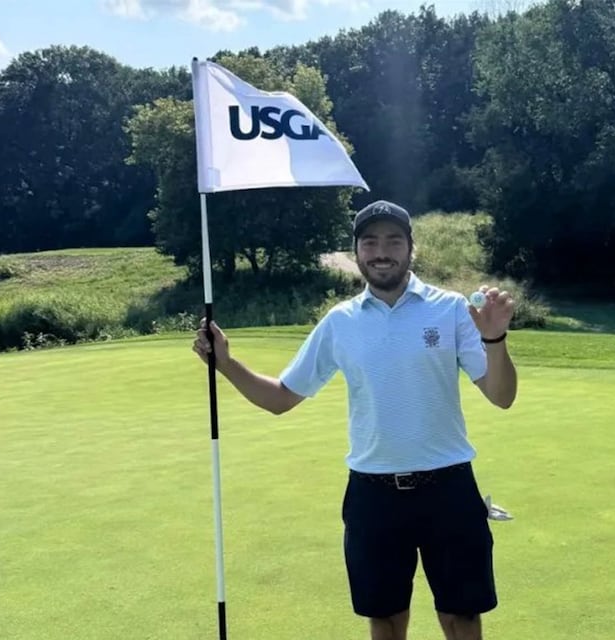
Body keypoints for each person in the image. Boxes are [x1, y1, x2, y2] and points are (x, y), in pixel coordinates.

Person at [193, 199, 518, 640]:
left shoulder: (451, 308)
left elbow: (501, 395)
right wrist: (227, 364)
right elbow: (281, 398)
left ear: (411, 248)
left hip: (449, 488)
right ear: (357, 251)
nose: (381, 252)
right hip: (373, 493)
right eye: (370, 242)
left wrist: (495, 339)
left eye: (393, 241)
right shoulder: (340, 321)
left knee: (462, 617)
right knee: (385, 618)